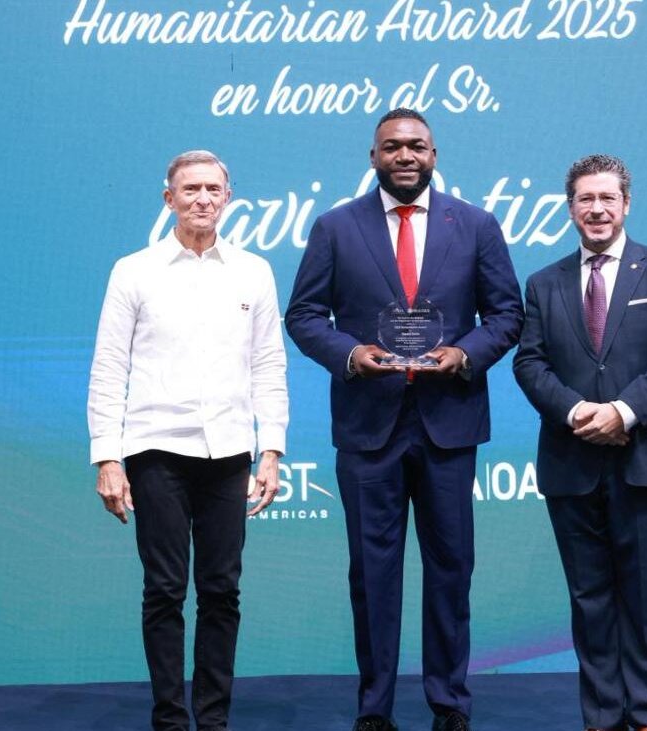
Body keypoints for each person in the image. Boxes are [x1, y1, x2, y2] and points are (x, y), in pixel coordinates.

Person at [285, 109, 523, 731]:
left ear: (434, 154)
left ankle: (450, 703)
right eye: (392, 146)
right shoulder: (336, 227)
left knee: (451, 567)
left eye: (417, 145)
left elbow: (507, 315)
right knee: (372, 572)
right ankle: (375, 708)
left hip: (449, 422)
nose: (405, 155)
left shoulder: (476, 225)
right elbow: (303, 316)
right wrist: (349, 354)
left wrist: (466, 353)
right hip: (368, 424)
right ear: (373, 157)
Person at [87, 150, 287, 731]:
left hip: (229, 453)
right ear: (168, 198)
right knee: (165, 590)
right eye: (191, 189)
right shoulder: (134, 271)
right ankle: (171, 720)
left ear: (228, 198)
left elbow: (269, 365)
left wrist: (271, 449)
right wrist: (107, 457)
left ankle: (214, 719)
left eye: (213, 189)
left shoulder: (254, 271)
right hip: (155, 452)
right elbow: (109, 367)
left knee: (222, 591)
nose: (202, 199)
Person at [512, 154, 647, 731]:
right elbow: (529, 362)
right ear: (570, 208)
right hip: (571, 460)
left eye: (607, 198)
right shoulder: (543, 283)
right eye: (585, 199)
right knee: (589, 599)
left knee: (644, 598)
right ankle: (600, 716)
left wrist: (623, 411)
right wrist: (576, 411)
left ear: (626, 205)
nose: (597, 209)